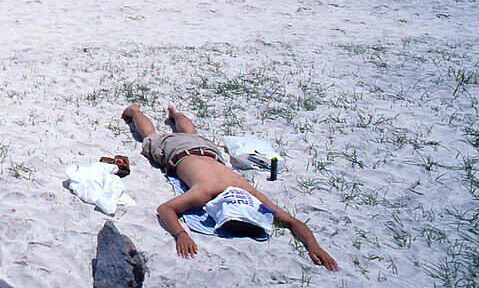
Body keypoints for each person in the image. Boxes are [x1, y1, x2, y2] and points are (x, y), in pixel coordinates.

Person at [121, 103, 338, 271]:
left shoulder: (243, 188)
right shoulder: (211, 191)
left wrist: (315, 247)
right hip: (184, 151)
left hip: (205, 150)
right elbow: (164, 209)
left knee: (190, 135)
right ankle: (139, 111)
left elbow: (292, 222)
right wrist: (180, 234)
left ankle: (174, 112)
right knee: (151, 137)